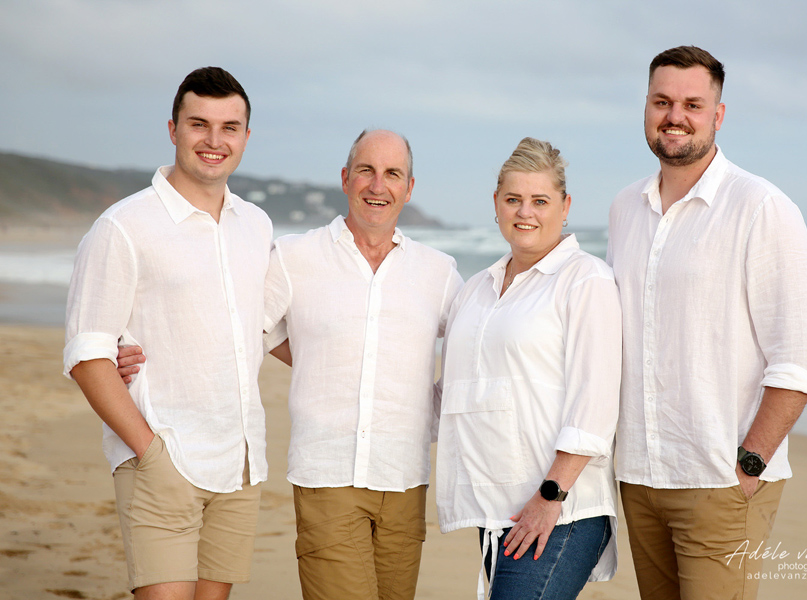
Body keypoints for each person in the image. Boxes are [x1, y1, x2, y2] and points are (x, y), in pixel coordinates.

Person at [606, 46, 807, 600]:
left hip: (721, 480)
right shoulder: (625, 207)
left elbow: (801, 358)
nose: (674, 116)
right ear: (646, 108)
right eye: (662, 101)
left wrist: (748, 465)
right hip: (639, 477)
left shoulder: (761, 207)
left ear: (718, 115)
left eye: (692, 104)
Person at [64, 67, 271, 600]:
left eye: (229, 127)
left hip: (238, 463)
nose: (214, 140)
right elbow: (87, 355)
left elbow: (268, 324)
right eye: (199, 124)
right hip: (162, 456)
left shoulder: (256, 225)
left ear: (246, 136)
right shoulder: (124, 226)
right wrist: (151, 453)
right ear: (174, 129)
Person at [262, 129, 464, 600]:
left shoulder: (437, 272)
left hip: (405, 480)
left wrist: (430, 415)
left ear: (408, 188)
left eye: (392, 174)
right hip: (327, 475)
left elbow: (477, 350)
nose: (378, 185)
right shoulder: (295, 256)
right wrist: (316, 361)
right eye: (366, 171)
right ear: (345, 178)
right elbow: (245, 329)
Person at [436, 138, 621, 600]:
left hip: (561, 509)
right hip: (495, 510)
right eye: (513, 199)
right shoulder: (475, 290)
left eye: (540, 201)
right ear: (496, 204)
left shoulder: (585, 280)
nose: (525, 213)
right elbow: (453, 391)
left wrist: (549, 496)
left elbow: (596, 401)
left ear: (565, 206)